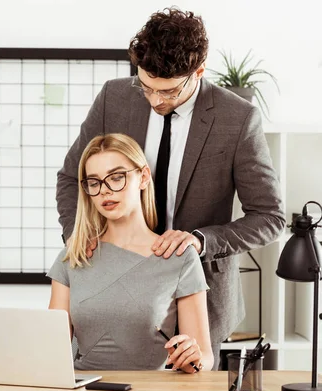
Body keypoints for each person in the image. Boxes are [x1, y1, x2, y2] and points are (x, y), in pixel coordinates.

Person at [55, 7, 285, 370]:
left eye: (169, 91)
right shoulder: (114, 97)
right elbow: (72, 177)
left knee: (190, 377)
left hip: (198, 290)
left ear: (199, 71)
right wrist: (80, 235)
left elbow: (270, 217)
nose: (155, 101)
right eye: (145, 86)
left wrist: (200, 241)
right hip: (116, 285)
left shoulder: (237, 118)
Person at [48, 133, 213, 372]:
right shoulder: (73, 257)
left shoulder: (180, 257)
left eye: (116, 178)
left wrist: (193, 359)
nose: (105, 191)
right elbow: (52, 350)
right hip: (83, 390)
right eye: (94, 182)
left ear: (143, 177)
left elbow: (206, 358)